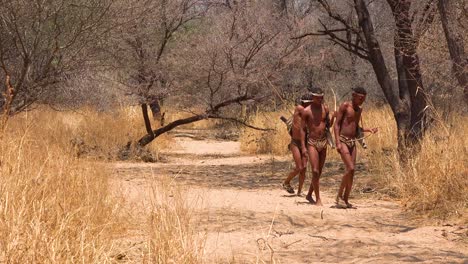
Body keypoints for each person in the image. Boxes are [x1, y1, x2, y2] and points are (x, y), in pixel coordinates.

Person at [334, 87, 378, 208]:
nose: (361, 101)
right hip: (343, 140)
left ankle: (346, 199)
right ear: (353, 95)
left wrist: (369, 129)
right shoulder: (345, 106)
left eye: (363, 99)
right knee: (350, 168)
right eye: (360, 98)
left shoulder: (359, 110)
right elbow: (336, 125)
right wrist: (337, 142)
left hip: (353, 142)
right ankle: (339, 196)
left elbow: (355, 127)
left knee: (352, 172)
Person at [302, 87, 332, 206]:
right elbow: (303, 130)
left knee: (318, 172)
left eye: (322, 97)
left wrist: (333, 118)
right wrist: (304, 148)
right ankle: (318, 198)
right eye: (318, 98)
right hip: (312, 143)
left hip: (323, 142)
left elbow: (328, 126)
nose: (320, 99)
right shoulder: (307, 111)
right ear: (313, 98)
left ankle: (309, 194)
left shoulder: (325, 108)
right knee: (314, 170)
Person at [282, 93, 313, 196]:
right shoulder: (300, 108)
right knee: (299, 167)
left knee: (304, 168)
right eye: (307, 103)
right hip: (295, 142)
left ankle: (299, 191)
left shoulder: (309, 112)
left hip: (305, 143)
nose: (308, 105)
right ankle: (286, 182)